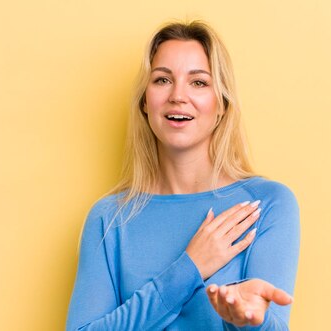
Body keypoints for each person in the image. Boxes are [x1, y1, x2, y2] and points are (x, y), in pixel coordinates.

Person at [66, 20, 300, 330]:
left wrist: (250, 322)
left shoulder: (266, 204)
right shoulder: (109, 219)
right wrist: (190, 268)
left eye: (199, 82)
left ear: (222, 105)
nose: (178, 95)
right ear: (145, 103)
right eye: (162, 80)